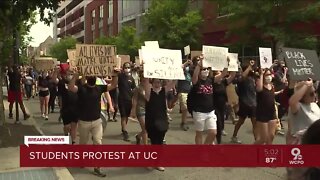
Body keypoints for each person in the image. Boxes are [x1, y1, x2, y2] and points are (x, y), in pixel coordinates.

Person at [75, 71, 118, 177]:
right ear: (87, 77)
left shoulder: (99, 88)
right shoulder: (81, 88)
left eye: (93, 75)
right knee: (83, 144)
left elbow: (113, 85)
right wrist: (76, 75)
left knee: (98, 143)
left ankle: (97, 167)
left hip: (97, 122)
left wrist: (115, 74)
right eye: (90, 75)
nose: (92, 77)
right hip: (83, 122)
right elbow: (71, 87)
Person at [191, 55, 228, 145]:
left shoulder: (210, 80)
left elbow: (223, 74)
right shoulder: (196, 81)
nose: (206, 71)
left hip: (210, 111)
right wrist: (199, 65)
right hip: (199, 112)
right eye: (204, 69)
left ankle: (205, 148)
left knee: (213, 132)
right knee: (199, 133)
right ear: (200, 71)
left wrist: (226, 63)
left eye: (207, 69)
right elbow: (195, 75)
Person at [143, 78, 176, 171]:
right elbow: (146, 83)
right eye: (156, 81)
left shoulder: (163, 91)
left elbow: (173, 82)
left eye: (159, 81)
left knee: (160, 143)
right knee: (153, 143)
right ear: (152, 83)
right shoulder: (149, 93)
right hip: (151, 122)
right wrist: (146, 72)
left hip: (162, 121)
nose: (158, 83)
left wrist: (179, 70)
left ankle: (157, 163)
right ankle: (152, 162)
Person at [231, 60, 257, 144]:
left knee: (255, 123)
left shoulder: (253, 78)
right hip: (244, 103)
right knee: (241, 121)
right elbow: (241, 78)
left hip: (253, 103)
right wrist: (249, 66)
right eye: (250, 69)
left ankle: (257, 140)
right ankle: (234, 136)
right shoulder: (241, 78)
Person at [254, 68, 282, 145]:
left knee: (271, 136)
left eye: (269, 74)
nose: (268, 76)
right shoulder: (260, 85)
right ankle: (251, 150)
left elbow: (271, 94)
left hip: (271, 112)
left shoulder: (272, 86)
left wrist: (279, 92)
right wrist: (261, 74)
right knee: (263, 138)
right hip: (262, 113)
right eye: (267, 75)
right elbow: (259, 89)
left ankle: (267, 153)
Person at [56, 68, 79, 144]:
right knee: (67, 126)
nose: (70, 75)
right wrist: (56, 72)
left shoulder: (78, 83)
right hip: (66, 108)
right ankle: (66, 135)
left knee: (74, 126)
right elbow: (55, 80)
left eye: (72, 74)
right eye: (69, 74)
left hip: (75, 108)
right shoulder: (62, 83)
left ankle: (73, 142)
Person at [213, 70, 236, 144]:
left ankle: (218, 139)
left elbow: (232, 76)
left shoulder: (223, 82)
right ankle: (215, 140)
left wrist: (233, 66)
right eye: (219, 74)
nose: (221, 76)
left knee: (221, 122)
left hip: (222, 106)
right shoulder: (213, 83)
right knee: (217, 123)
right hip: (214, 106)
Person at [118, 62, 136, 141]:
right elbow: (115, 74)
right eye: (125, 67)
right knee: (123, 116)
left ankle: (123, 128)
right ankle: (125, 131)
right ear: (123, 68)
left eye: (128, 67)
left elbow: (134, 88)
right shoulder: (120, 76)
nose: (127, 69)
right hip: (121, 99)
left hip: (129, 99)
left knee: (126, 116)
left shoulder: (131, 78)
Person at [131, 71, 148, 145]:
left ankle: (138, 136)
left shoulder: (150, 87)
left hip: (149, 109)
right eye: (143, 77)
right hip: (140, 109)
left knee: (148, 128)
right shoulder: (138, 88)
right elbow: (134, 99)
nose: (145, 79)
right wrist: (133, 110)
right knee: (144, 128)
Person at [176, 59, 193, 131]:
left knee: (188, 108)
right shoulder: (181, 72)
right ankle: (184, 123)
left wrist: (191, 65)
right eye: (187, 66)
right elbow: (180, 68)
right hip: (182, 91)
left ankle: (184, 122)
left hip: (189, 92)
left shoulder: (189, 73)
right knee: (184, 108)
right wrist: (186, 63)